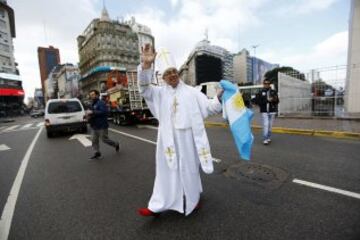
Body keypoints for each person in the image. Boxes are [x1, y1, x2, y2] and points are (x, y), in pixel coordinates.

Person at [137, 44, 223, 217]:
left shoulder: (192, 92)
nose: (172, 75)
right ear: (163, 77)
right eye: (167, 73)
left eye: (174, 71)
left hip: (187, 139)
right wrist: (146, 66)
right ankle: (157, 205)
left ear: (178, 72)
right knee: (165, 171)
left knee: (189, 169)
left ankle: (193, 199)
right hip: (167, 139)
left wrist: (219, 97)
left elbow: (210, 108)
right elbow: (144, 89)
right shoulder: (159, 93)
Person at [87, 89, 119, 159]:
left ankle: (116, 144)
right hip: (94, 126)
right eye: (91, 95)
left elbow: (104, 112)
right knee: (94, 140)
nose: (92, 96)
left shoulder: (101, 103)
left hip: (102, 125)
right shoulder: (92, 103)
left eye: (93, 95)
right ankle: (97, 152)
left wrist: (93, 112)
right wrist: (87, 115)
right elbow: (92, 112)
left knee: (104, 139)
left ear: (97, 95)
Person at [255, 79, 279, 145]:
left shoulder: (273, 91)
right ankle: (265, 138)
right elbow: (258, 102)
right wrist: (267, 100)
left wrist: (274, 99)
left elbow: (277, 101)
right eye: (265, 83)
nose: (267, 85)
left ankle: (268, 137)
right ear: (263, 84)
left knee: (270, 126)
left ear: (269, 84)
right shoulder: (260, 92)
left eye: (268, 83)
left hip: (272, 111)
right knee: (266, 125)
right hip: (264, 111)